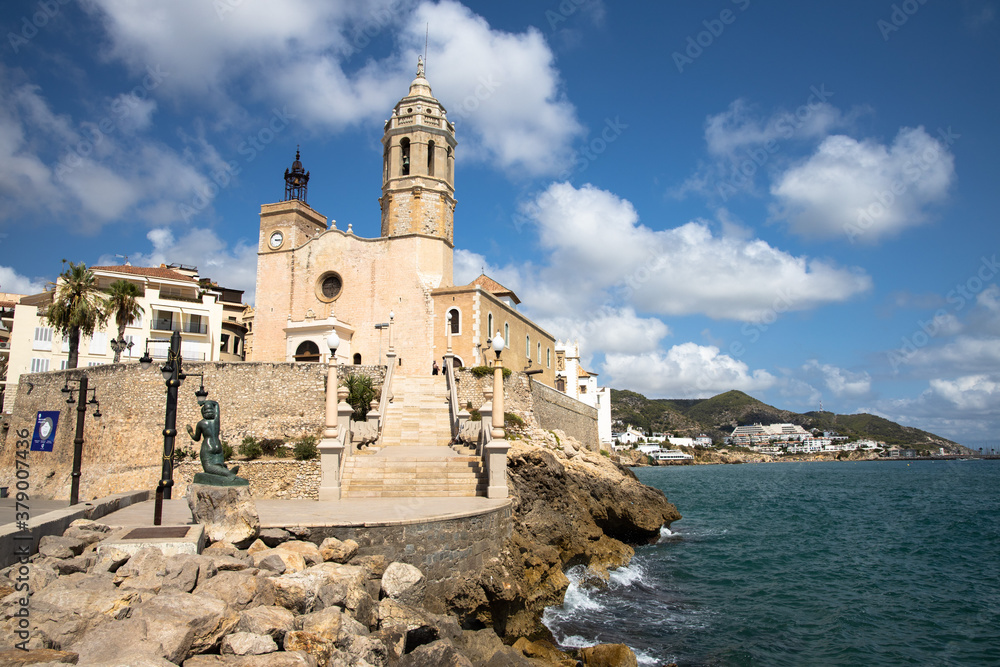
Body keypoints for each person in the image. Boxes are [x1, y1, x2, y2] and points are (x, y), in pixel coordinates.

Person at [187, 400, 241, 480]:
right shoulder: (216, 421)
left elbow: (197, 438)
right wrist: (206, 401)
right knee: (219, 464)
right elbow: (216, 404)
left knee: (208, 467)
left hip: (208, 446)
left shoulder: (201, 423)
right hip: (217, 445)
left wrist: (190, 432)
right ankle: (227, 474)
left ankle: (229, 474)